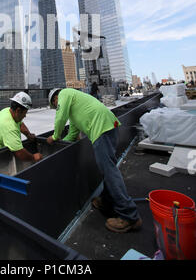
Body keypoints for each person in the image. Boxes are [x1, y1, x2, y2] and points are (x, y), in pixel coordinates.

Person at [47, 88, 142, 233]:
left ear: (55, 98)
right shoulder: (74, 109)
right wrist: (59, 147)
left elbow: (60, 117)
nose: (57, 107)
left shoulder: (64, 93)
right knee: (107, 169)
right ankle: (107, 201)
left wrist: (54, 137)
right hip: (108, 126)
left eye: (55, 105)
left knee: (109, 171)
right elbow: (72, 134)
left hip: (101, 129)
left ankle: (129, 215)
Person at [0, 92, 43, 162]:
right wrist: (34, 157)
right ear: (18, 110)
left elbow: (20, 124)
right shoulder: (9, 127)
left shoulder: (6, 111)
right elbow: (20, 153)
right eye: (25, 113)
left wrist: (28, 134)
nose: (25, 116)